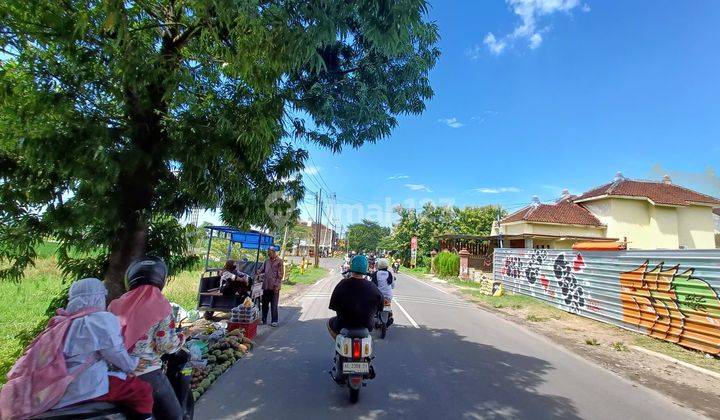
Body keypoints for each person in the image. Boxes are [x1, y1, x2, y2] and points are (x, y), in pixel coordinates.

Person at [58, 278, 154, 418]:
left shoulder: (63, 322)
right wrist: (132, 365)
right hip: (88, 384)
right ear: (99, 297)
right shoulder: (100, 319)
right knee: (143, 391)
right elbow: (114, 352)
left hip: (61, 386)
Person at [109, 257, 185, 420]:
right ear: (161, 279)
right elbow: (166, 346)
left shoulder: (115, 305)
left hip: (113, 373)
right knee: (176, 416)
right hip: (146, 373)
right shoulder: (162, 305)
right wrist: (181, 338)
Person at [327, 255, 384, 339]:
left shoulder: (342, 284)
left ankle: (339, 343)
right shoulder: (373, 287)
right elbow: (380, 307)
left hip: (343, 324)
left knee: (329, 323)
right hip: (367, 325)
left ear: (351, 267)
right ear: (366, 268)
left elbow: (333, 306)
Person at [258, 247, 284, 327]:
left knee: (274, 305)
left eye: (270, 253)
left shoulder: (279, 261)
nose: (269, 254)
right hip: (266, 286)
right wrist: (257, 272)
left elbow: (280, 275)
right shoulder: (266, 261)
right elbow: (261, 269)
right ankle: (264, 319)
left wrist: (277, 285)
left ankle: (274, 320)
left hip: (275, 287)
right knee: (265, 304)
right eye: (268, 253)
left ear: (273, 252)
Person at [370, 258, 395, 326]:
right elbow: (393, 286)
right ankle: (390, 315)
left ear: (378, 265)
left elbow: (372, 285)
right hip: (388, 296)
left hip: (378, 296)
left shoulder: (376, 274)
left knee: (372, 306)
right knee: (388, 306)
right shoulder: (390, 274)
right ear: (387, 266)